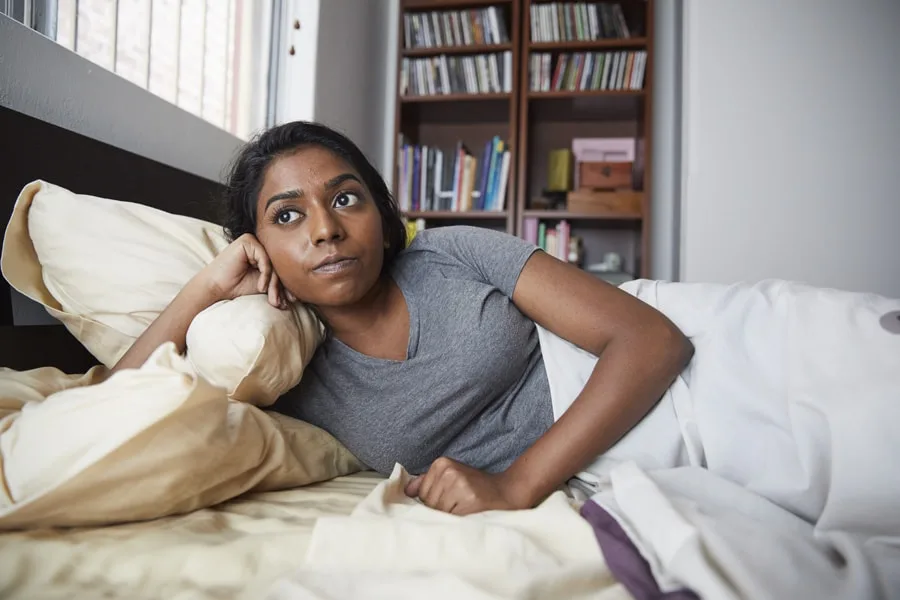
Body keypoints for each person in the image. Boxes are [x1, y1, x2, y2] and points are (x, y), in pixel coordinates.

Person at [112, 121, 694, 516]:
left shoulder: (453, 252)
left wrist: (516, 484)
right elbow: (110, 412)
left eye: (344, 199)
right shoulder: (291, 377)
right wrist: (205, 286)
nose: (325, 229)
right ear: (255, 244)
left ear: (380, 213)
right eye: (287, 216)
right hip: (644, 455)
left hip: (700, 375)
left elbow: (652, 339)